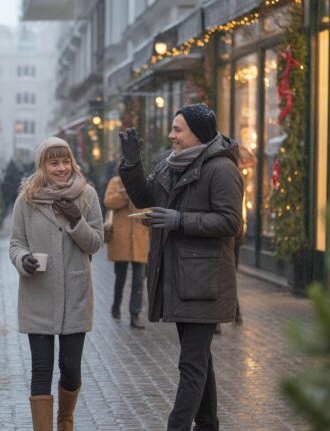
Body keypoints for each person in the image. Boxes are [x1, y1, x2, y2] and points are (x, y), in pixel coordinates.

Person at [117, 103, 243, 431]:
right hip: (181, 280)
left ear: (197, 133)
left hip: (206, 282)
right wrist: (132, 163)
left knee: (191, 364)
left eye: (178, 129)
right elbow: (146, 197)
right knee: (199, 361)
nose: (171, 135)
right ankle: (208, 425)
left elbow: (231, 222)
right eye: (172, 128)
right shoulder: (171, 165)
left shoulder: (221, 169)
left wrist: (180, 220)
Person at [9, 137, 103, 431]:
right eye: (54, 162)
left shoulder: (87, 196)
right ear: (43, 166)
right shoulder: (26, 199)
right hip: (39, 294)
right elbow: (15, 243)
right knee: (41, 370)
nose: (61, 168)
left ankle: (65, 420)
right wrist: (23, 259)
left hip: (76, 295)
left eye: (65, 161)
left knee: (70, 368)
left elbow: (96, 243)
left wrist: (77, 222)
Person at [103, 170, 150, 328]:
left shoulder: (144, 185)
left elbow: (150, 207)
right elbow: (108, 202)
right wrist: (125, 195)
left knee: (139, 280)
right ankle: (116, 305)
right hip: (120, 238)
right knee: (120, 277)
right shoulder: (115, 183)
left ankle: (134, 314)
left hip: (139, 237)